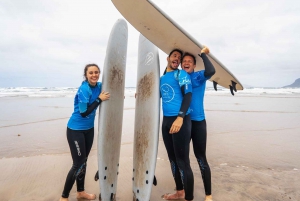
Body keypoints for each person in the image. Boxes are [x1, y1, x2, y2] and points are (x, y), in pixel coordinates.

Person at [60, 64, 110, 201]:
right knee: (78, 163)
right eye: (91, 73)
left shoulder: (99, 86)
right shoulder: (84, 89)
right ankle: (64, 197)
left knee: (84, 161)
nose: (94, 75)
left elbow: (109, 92)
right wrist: (99, 99)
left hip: (89, 130)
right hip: (75, 130)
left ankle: (80, 192)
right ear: (86, 75)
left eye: (96, 72)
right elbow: (83, 113)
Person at [181, 46, 215, 201]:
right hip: (183, 122)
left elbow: (211, 71)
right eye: (184, 61)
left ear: (194, 65)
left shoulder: (199, 76)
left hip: (198, 122)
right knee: (182, 158)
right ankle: (184, 190)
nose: (187, 63)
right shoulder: (179, 77)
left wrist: (202, 55)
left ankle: (208, 194)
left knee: (201, 157)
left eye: (190, 61)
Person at [160, 49, 194, 201]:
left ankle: (189, 197)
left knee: (182, 161)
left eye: (179, 58)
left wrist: (180, 118)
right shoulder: (162, 78)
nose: (177, 59)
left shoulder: (181, 74)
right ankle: (180, 191)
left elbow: (188, 95)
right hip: (166, 121)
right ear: (168, 58)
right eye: (175, 56)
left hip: (180, 120)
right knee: (172, 159)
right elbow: (158, 94)